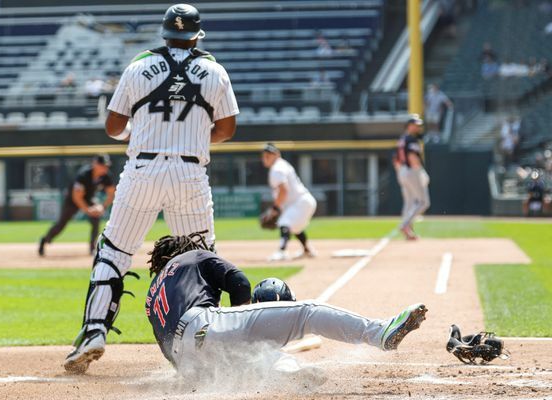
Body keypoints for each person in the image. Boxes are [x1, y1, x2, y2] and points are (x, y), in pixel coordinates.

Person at [63, 3, 238, 373]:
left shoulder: (138, 65)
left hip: (141, 170)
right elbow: (226, 129)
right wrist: (190, 137)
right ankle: (211, 348)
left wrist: (136, 133)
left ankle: (94, 331)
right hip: (190, 173)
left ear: (164, 33)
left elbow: (112, 127)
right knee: (202, 260)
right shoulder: (215, 70)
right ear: (196, 36)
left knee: (114, 251)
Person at [143, 233, 428, 379]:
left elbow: (172, 353)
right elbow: (240, 282)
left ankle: (284, 371)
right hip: (202, 325)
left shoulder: (151, 297)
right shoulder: (192, 256)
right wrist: (241, 322)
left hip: (186, 362)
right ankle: (380, 333)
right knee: (308, 312)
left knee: (243, 356)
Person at [39, 154, 115, 256]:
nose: (105, 168)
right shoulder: (84, 175)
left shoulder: (106, 176)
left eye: (106, 165)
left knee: (95, 220)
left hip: (88, 199)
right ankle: (45, 240)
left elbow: (111, 193)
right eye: (102, 165)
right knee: (61, 224)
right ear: (95, 164)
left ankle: (92, 248)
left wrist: (102, 207)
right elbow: (77, 197)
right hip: (72, 200)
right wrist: (88, 210)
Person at [261, 143, 317, 261]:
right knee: (295, 228)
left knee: (284, 222)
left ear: (277, 155)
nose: (265, 158)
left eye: (269, 155)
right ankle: (307, 250)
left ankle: (282, 251)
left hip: (301, 202)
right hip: (303, 201)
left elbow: (284, 190)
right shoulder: (282, 165)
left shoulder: (277, 168)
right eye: (264, 155)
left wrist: (275, 208)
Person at [396, 115, 431, 240]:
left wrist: (401, 175)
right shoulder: (411, 139)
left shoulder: (402, 139)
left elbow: (397, 160)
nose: (418, 127)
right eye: (415, 125)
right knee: (423, 202)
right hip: (412, 170)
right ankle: (405, 225)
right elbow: (412, 157)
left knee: (410, 202)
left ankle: (408, 230)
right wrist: (420, 171)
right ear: (409, 125)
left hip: (403, 171)